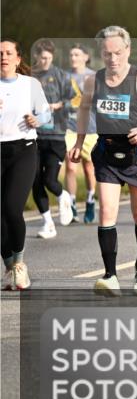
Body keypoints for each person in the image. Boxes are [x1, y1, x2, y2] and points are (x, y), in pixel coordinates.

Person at [70, 26, 137, 296]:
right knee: (107, 213)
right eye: (106, 53)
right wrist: (79, 142)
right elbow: (83, 109)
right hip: (106, 153)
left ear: (127, 50)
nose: (112, 58)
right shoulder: (94, 80)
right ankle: (110, 276)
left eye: (117, 52)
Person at [1, 40, 50, 290]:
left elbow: (46, 114)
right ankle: (9, 268)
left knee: (11, 208)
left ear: (18, 59)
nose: (4, 57)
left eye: (9, 53)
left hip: (24, 150)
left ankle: (20, 265)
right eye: (0, 53)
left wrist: (37, 119)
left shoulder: (30, 84)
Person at [30, 39, 76, 238]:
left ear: (52, 57)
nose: (45, 61)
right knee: (35, 179)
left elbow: (75, 101)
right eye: (42, 58)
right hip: (33, 136)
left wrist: (58, 106)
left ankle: (62, 195)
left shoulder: (61, 76)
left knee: (50, 179)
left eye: (49, 58)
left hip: (56, 135)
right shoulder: (29, 76)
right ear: (36, 57)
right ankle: (48, 222)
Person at [64, 44, 98, 224]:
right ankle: (72, 204)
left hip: (91, 128)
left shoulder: (94, 76)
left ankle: (91, 199)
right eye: (71, 54)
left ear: (86, 56)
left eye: (77, 54)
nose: (73, 57)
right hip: (70, 128)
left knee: (89, 167)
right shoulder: (64, 77)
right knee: (70, 166)